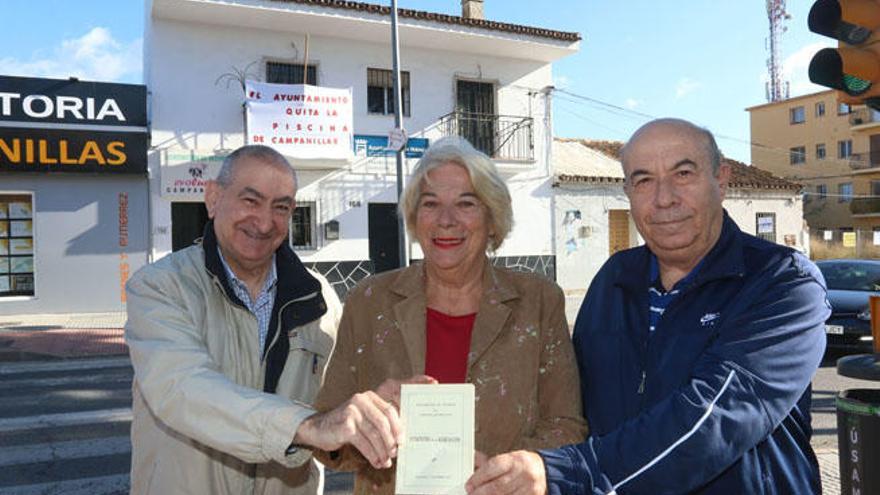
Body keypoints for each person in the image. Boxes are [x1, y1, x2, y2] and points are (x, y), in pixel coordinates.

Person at [467, 119, 830, 494]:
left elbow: (714, 418)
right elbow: (566, 400)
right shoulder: (615, 278)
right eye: (643, 181)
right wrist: (490, 458)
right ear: (627, 191)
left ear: (721, 180)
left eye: (683, 174)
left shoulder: (782, 281)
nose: (664, 198)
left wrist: (562, 474)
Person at [126, 145, 406, 495]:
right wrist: (306, 426)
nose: (263, 221)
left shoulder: (318, 296)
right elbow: (182, 388)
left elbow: (333, 413)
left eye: (281, 207)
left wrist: (374, 411)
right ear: (213, 199)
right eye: (250, 200)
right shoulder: (159, 285)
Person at [314, 137, 587, 493]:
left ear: (492, 218)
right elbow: (326, 436)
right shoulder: (368, 301)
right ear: (415, 217)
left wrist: (514, 471)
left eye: (466, 203)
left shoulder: (538, 301)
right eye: (430, 204)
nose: (446, 220)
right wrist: (365, 420)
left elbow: (566, 426)